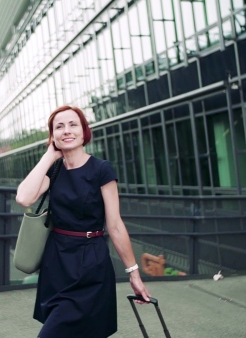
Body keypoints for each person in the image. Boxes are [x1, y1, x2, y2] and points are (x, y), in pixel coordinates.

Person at [16, 105, 151, 338]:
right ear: (52, 136)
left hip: (91, 265)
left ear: (83, 131)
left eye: (72, 125)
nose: (66, 131)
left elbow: (115, 225)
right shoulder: (55, 170)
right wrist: (49, 156)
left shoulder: (101, 170)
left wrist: (134, 273)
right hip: (57, 264)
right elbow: (23, 197)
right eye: (59, 127)